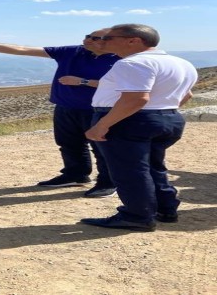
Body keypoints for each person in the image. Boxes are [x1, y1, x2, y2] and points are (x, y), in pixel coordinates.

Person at [0, 29, 120, 197]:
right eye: (87, 36)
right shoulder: (72, 51)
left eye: (94, 38)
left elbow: (123, 86)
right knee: (69, 144)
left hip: (99, 110)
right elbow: (20, 49)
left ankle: (108, 182)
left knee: (101, 148)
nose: (87, 40)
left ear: (108, 41)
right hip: (65, 107)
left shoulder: (120, 59)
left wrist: (83, 82)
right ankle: (75, 174)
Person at [81, 24, 197, 232]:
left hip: (130, 120)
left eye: (108, 38)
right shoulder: (182, 63)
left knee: (129, 170)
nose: (102, 41)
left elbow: (136, 99)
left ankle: (137, 216)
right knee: (153, 166)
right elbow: (187, 95)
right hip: (167, 117)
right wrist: (160, 114)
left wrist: (102, 125)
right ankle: (165, 209)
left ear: (133, 40)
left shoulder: (132, 63)